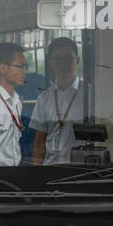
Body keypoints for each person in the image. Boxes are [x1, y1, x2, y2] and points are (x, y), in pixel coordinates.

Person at [31, 37, 83, 165]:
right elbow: (39, 145)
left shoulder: (90, 95)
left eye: (68, 58)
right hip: (50, 169)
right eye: (57, 59)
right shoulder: (44, 98)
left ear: (77, 60)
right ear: (50, 63)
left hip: (80, 170)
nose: (63, 63)